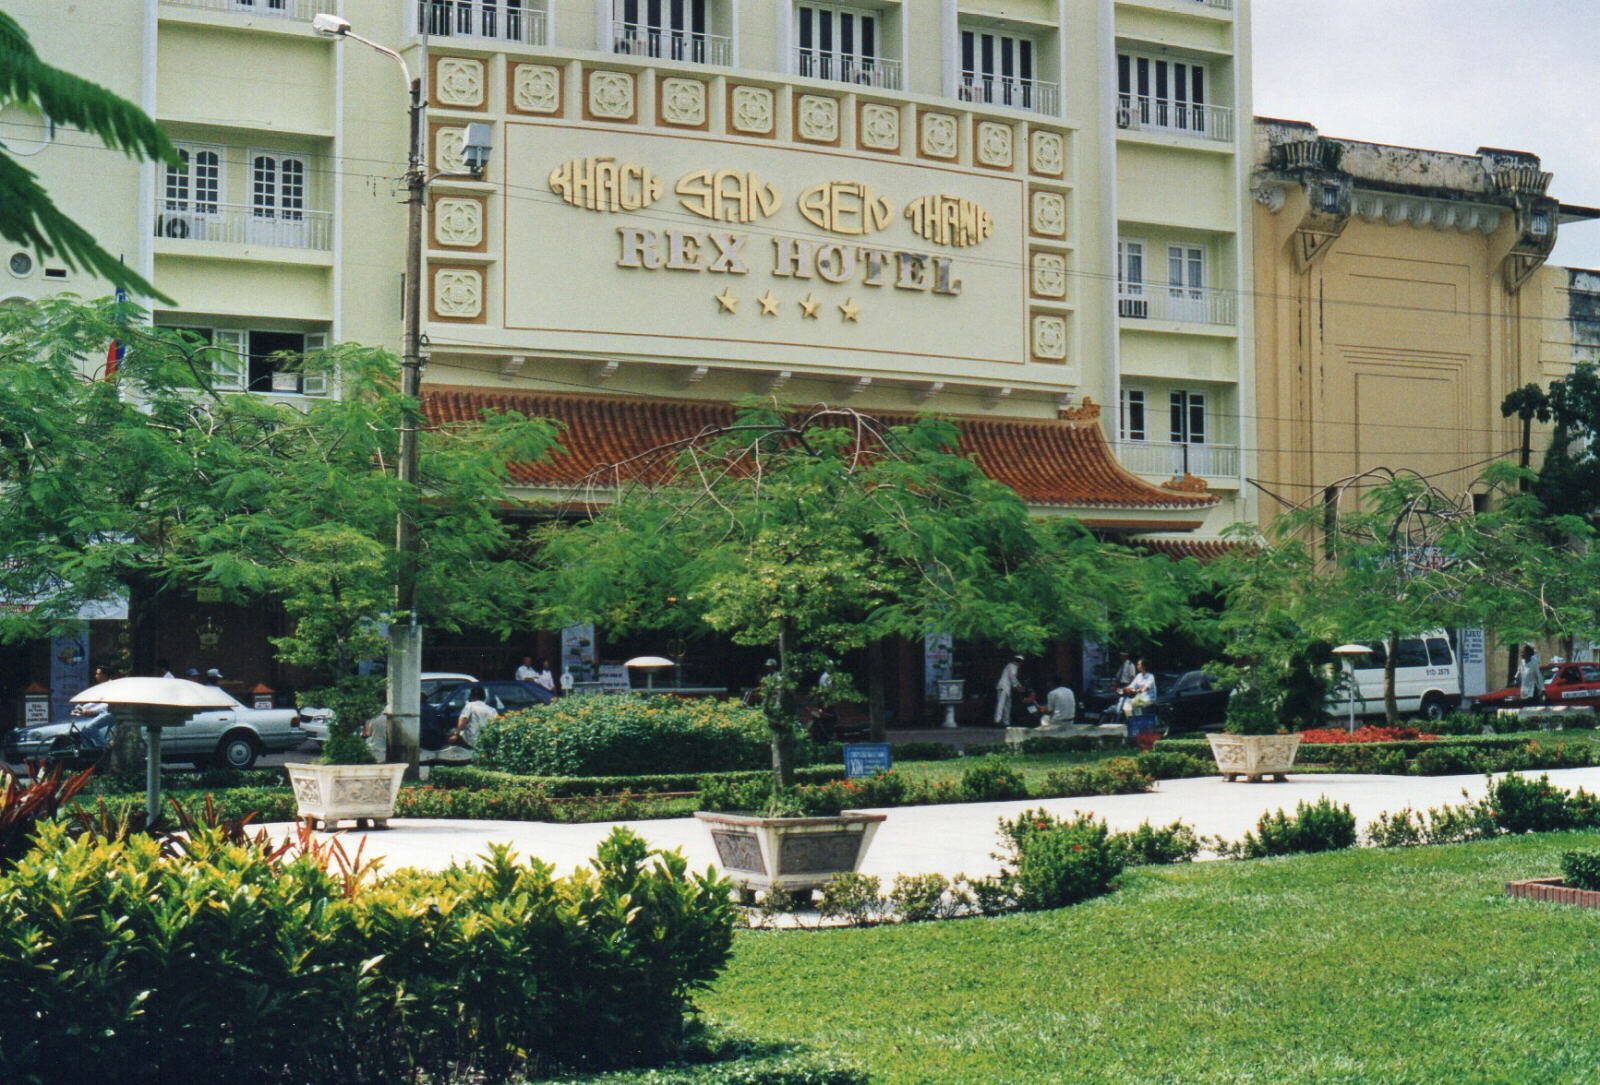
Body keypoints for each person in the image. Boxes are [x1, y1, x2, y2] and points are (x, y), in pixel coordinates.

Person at [449, 685, 498, 750]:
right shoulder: (492, 710)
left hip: (471, 740)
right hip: (486, 740)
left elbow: (463, 719)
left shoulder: (470, 705)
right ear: (484, 697)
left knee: (451, 731)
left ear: (472, 696)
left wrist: (456, 734)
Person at [994, 654, 1024, 725]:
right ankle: (997, 720)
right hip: (1003, 687)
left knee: (1007, 705)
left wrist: (1019, 686)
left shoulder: (1012, 666)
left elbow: (1013, 679)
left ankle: (1006, 721)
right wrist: (1018, 687)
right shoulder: (1012, 666)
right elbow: (1012, 677)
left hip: (1007, 688)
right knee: (1001, 704)